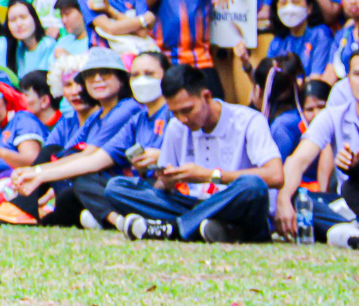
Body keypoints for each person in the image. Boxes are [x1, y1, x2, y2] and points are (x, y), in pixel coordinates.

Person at [106, 64, 283, 242]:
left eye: (187, 110)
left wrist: (209, 175)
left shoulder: (249, 120)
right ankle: (214, 229)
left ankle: (174, 228)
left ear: (206, 96)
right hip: (193, 203)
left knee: (252, 185)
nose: (183, 119)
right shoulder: (176, 126)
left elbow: (276, 176)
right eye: (175, 113)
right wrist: (167, 182)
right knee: (117, 187)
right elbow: (162, 188)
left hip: (234, 206)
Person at [0, 48, 145, 228]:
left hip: (113, 184)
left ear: (121, 79)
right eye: (90, 76)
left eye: (105, 73)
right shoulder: (95, 115)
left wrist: (37, 173)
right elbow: (66, 154)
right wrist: (34, 172)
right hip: (89, 182)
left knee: (77, 186)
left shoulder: (126, 108)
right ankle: (24, 210)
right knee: (56, 162)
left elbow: (90, 156)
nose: (97, 79)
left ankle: (22, 209)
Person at [278, 63, 359, 244]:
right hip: (347, 203)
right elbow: (298, 160)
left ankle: (343, 232)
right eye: (357, 74)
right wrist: (283, 199)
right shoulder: (333, 115)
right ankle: (347, 232)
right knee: (300, 199)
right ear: (347, 80)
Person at [267, 0, 335, 77]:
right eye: (283, 3)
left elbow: (316, 78)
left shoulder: (320, 34)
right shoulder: (277, 42)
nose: (289, 8)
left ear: (309, 8)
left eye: (295, 2)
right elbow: (268, 78)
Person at [3, 0, 55, 77]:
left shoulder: (49, 45)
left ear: (34, 18)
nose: (19, 24)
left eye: (23, 17)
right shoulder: (17, 50)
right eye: (13, 20)